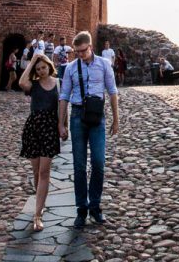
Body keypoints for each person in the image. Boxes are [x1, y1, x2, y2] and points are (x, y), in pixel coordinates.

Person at [58, 30, 120, 228]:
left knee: (99, 163)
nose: (80, 55)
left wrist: (116, 120)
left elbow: (112, 92)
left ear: (90, 47)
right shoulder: (70, 68)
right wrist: (61, 122)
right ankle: (81, 209)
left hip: (97, 117)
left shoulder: (103, 64)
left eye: (83, 51)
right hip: (77, 116)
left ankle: (95, 206)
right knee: (79, 165)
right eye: (77, 52)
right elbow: (64, 96)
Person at [19, 52, 61, 232]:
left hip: (49, 129)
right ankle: (40, 202)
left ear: (49, 67)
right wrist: (33, 60)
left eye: (44, 67)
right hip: (33, 128)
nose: (41, 71)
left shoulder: (58, 83)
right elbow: (21, 83)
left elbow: (62, 107)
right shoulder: (33, 85)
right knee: (36, 172)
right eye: (38, 69)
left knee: (44, 172)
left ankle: (37, 214)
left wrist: (62, 126)